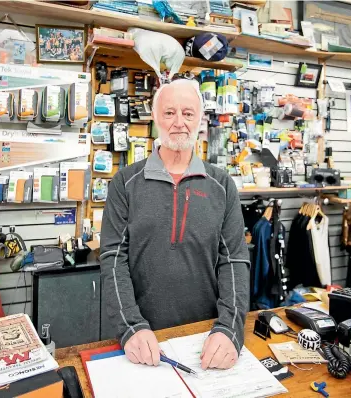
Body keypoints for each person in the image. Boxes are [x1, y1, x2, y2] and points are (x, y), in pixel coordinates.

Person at [100, 79, 250, 371]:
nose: (179, 122)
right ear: (155, 118)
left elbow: (234, 261)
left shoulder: (222, 185)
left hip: (206, 338)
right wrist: (131, 326)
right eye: (169, 113)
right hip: (142, 342)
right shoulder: (125, 183)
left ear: (200, 120)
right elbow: (112, 260)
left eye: (188, 113)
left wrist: (230, 328)